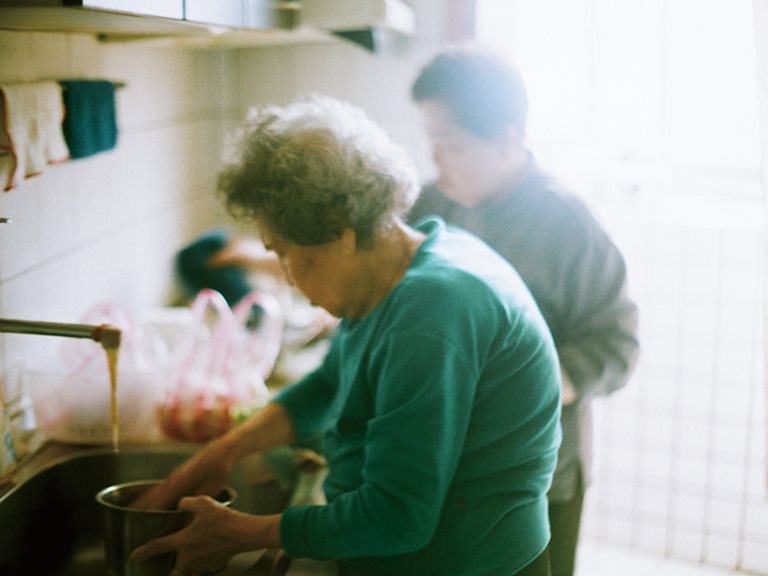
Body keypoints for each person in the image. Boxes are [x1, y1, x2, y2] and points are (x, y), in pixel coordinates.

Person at [130, 96, 562, 576]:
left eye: (285, 252)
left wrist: (239, 532)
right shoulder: (400, 268)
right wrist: (222, 452)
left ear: (341, 231)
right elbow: (331, 380)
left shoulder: (431, 311)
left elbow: (398, 517)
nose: (288, 276)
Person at [407, 44, 640, 576]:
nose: (437, 161)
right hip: (444, 464)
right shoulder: (431, 205)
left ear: (507, 140)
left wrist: (530, 381)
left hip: (539, 476)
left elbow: (618, 345)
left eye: (451, 145)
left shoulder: (568, 225)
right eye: (432, 143)